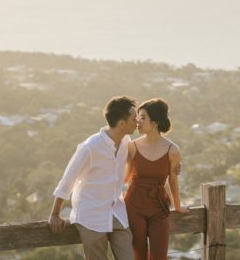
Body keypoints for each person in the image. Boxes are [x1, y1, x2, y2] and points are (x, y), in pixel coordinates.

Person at [48, 96, 138, 260]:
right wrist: (55, 214)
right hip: (91, 214)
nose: (137, 122)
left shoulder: (126, 140)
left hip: (116, 211)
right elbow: (67, 180)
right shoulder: (90, 147)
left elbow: (138, 157)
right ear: (122, 124)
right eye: (134, 118)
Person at [125, 98, 187, 260]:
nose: (138, 122)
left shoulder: (173, 150)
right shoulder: (132, 146)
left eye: (143, 117)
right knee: (139, 254)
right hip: (134, 205)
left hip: (159, 207)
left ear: (156, 122)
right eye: (138, 117)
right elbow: (124, 178)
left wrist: (178, 207)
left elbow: (173, 181)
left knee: (159, 255)